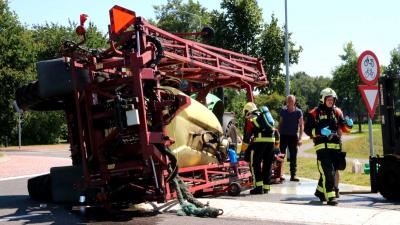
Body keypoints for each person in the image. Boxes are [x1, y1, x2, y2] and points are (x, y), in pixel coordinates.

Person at [304, 88, 352, 206]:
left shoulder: (337, 112)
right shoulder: (314, 113)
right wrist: (320, 131)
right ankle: (330, 197)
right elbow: (307, 130)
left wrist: (349, 125)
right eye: (329, 99)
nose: (331, 101)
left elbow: (344, 128)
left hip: (335, 148)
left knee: (330, 171)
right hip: (322, 147)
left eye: (332, 99)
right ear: (323, 99)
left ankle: (320, 192)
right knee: (328, 171)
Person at [241, 102, 276, 194]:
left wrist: (243, 149)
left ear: (247, 111)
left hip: (260, 143)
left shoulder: (250, 119)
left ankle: (258, 187)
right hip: (271, 142)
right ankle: (266, 187)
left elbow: (247, 138)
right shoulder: (263, 116)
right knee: (267, 165)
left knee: (255, 164)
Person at [278, 95, 304, 182]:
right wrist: (277, 134)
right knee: (280, 156)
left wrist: (300, 138)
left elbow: (301, 125)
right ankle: (279, 174)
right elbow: (280, 123)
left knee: (293, 156)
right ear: (287, 102)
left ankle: (293, 175)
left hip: (293, 137)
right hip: (283, 136)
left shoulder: (298, 112)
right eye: (288, 101)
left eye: (291, 101)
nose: (289, 102)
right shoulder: (283, 111)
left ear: (294, 102)